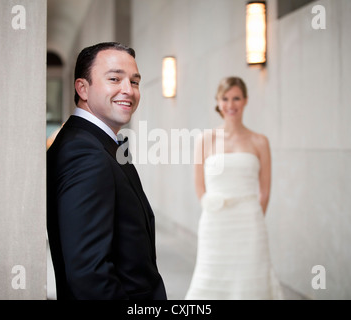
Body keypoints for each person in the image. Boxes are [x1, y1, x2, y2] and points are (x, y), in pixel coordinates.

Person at [47, 42, 167, 300]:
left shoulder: (93, 142)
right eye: (115, 79)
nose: (129, 90)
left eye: (134, 82)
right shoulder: (85, 154)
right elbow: (89, 275)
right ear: (83, 88)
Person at [185, 76, 284, 300]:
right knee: (211, 278)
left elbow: (265, 191)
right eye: (226, 98)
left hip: (249, 222)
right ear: (218, 102)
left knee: (250, 280)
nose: (231, 105)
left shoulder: (260, 141)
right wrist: (210, 209)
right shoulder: (205, 139)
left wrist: (253, 219)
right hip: (215, 223)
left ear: (246, 101)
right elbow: (199, 186)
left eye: (236, 98)